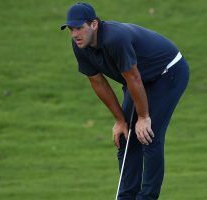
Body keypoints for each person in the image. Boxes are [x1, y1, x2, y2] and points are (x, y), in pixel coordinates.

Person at [61, 2, 189, 200]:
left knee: (149, 134)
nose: (75, 34)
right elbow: (98, 83)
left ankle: (147, 196)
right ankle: (127, 195)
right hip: (138, 80)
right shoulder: (80, 46)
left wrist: (144, 117)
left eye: (79, 28)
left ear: (94, 24)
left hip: (168, 72)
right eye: (71, 29)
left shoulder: (115, 39)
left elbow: (133, 78)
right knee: (125, 136)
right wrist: (120, 120)